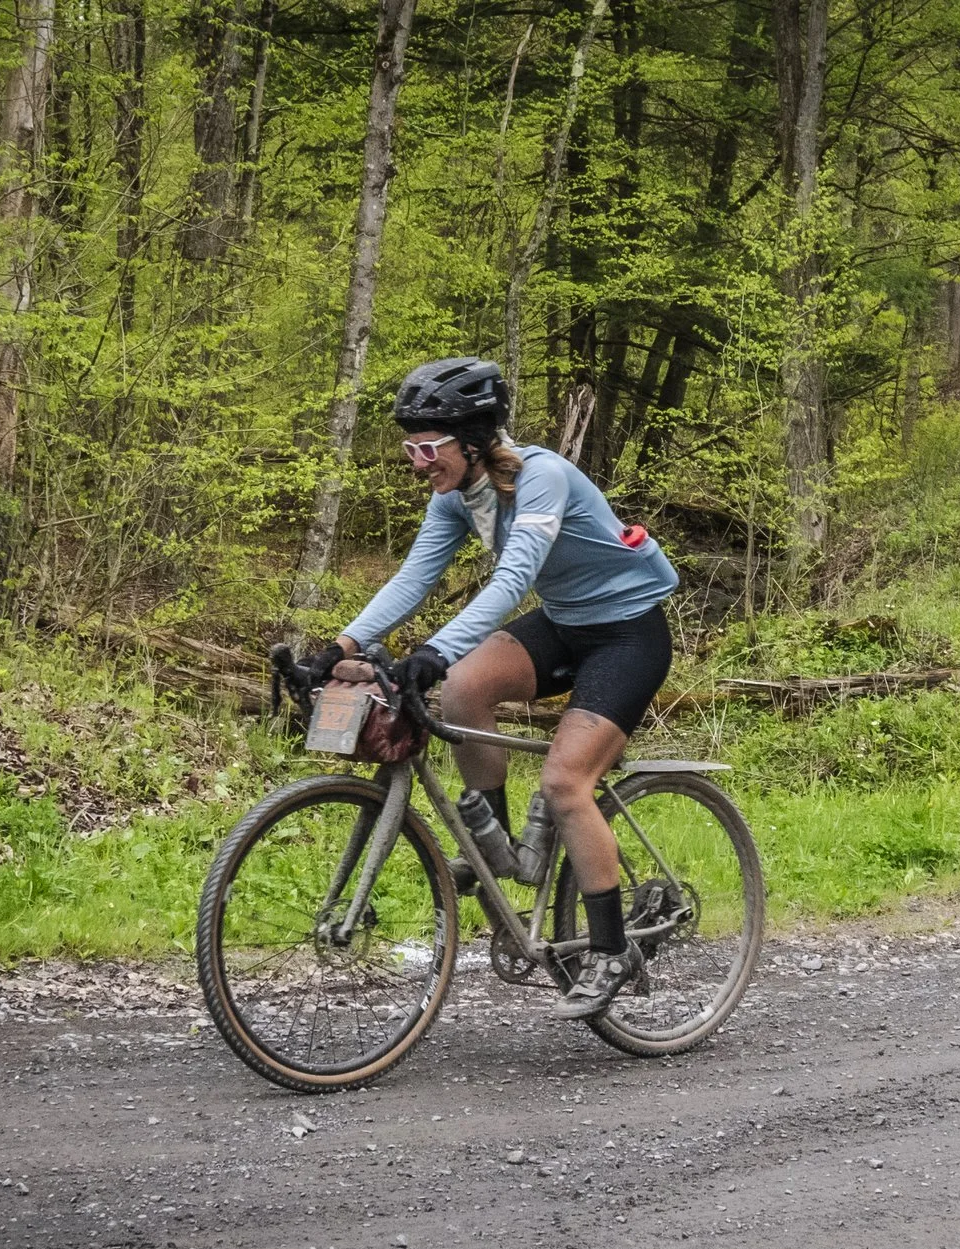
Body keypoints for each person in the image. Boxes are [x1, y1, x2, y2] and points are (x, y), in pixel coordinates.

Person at [289, 356, 678, 1020]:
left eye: (425, 446)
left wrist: (436, 650)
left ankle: (611, 949)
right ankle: (499, 846)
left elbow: (510, 581)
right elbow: (412, 580)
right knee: (464, 690)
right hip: (565, 622)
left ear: (470, 438)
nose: (416, 461)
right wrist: (338, 649)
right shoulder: (455, 497)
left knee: (563, 782)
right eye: (407, 446)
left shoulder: (543, 478)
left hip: (627, 634)